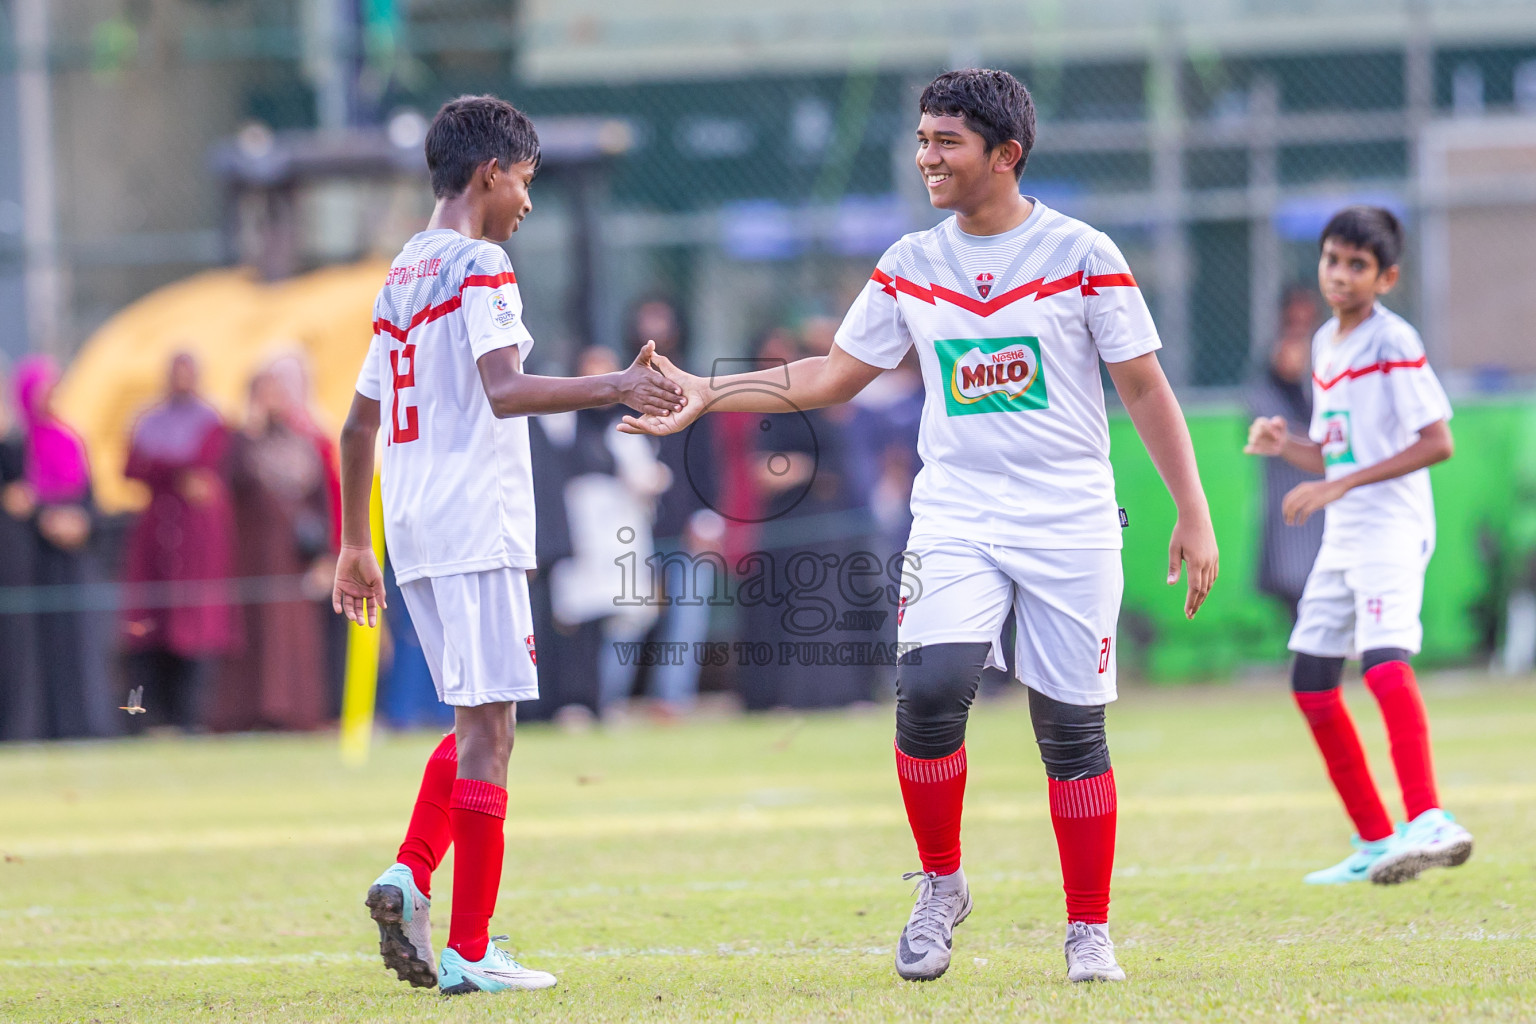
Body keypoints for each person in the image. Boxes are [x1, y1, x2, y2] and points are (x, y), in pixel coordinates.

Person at [621, 69, 1219, 984]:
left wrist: (1194, 512)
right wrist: (709, 393)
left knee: (1071, 730)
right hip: (956, 512)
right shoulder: (911, 261)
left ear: (1005, 156)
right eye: (923, 139)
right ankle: (942, 884)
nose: (926, 157)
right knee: (933, 687)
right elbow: (828, 375)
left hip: (1070, 516)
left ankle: (1087, 930)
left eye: (946, 142)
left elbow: (1144, 387)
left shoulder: (1084, 254)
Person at [331, 95, 683, 997]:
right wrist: (617, 386)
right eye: (525, 182)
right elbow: (504, 388)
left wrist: (353, 545)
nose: (528, 202)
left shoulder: (402, 271)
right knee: (493, 735)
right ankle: (471, 950)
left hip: (410, 524)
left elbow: (355, 425)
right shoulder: (481, 265)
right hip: (471, 519)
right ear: (491, 172)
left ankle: (410, 874)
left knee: (477, 718)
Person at [1244, 206, 1473, 886]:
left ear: (1387, 277)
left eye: (1357, 266)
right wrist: (1287, 448)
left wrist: (1340, 488)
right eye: (1331, 261)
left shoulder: (1391, 340)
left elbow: (1437, 441)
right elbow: (1337, 454)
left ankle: (1430, 817)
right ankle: (1376, 838)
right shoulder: (1324, 344)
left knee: (1380, 662)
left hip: (1391, 526)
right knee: (1312, 681)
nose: (1340, 276)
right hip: (1344, 533)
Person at [208, 366, 333, 732]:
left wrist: (325, 555)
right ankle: (249, 714)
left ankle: (296, 712)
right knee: (255, 636)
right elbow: (226, 483)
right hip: (251, 560)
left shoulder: (302, 443)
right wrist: (248, 431)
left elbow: (319, 500)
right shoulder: (239, 443)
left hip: (295, 560)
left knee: (294, 638)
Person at [121, 352, 238, 731]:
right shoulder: (149, 420)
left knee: (196, 629)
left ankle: (191, 719)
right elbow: (134, 467)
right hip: (157, 538)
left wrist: (170, 470)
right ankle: (149, 720)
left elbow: (210, 470)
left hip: (197, 543)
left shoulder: (211, 422)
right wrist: (177, 474)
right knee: (151, 627)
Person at [14, 355, 115, 740]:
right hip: (35, 561)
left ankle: (85, 727)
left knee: (81, 644)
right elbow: (19, 498)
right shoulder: (19, 445)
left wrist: (80, 522)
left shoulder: (69, 439)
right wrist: (44, 517)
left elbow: (90, 497)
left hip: (74, 557)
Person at [1248, 287, 1325, 623]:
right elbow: (1260, 419)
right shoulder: (1268, 377)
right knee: (1291, 574)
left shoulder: (1325, 364)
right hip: (1287, 487)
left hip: (1326, 491)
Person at [0, 365, 43, 741]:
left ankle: (17, 731)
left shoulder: (17, 443)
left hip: (11, 562)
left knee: (14, 650)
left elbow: (23, 498)